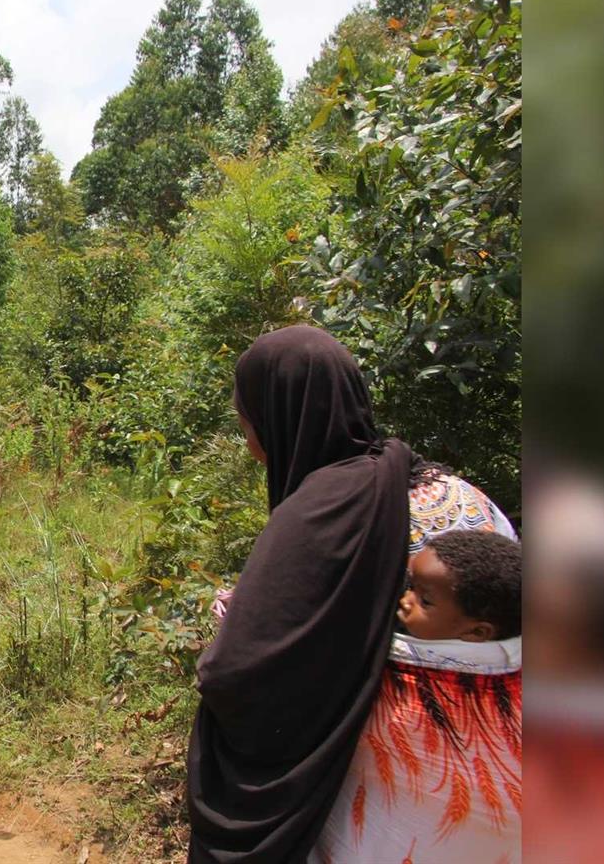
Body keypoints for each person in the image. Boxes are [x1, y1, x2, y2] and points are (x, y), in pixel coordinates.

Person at [186, 325, 418, 863]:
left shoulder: (316, 515)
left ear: (280, 421)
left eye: (247, 426)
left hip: (386, 799)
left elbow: (233, 674)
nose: (250, 447)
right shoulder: (453, 495)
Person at [316, 529, 522, 862]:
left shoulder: (392, 678)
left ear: (477, 632)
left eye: (425, 601)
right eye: (410, 586)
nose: (405, 600)